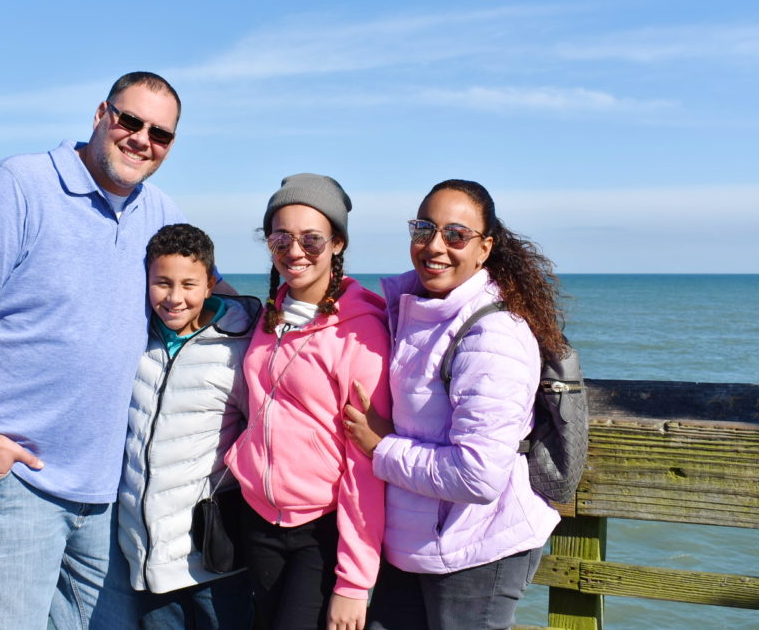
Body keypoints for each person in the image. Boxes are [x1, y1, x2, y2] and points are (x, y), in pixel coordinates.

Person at [0, 72, 227, 629]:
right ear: (100, 115)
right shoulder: (18, 183)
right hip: (14, 481)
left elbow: (208, 292)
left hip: (107, 493)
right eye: (129, 120)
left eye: (159, 133)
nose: (141, 139)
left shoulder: (159, 210)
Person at [344, 179, 564, 630]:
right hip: (412, 540)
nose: (435, 245)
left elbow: (478, 475)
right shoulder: (408, 308)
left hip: (477, 547)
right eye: (424, 229)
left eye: (456, 235)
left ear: (484, 249)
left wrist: (380, 447)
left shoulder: (493, 335)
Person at [225, 173, 391, 630]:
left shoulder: (360, 330)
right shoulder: (269, 315)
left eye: (312, 240)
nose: (295, 252)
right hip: (257, 515)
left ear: (338, 243)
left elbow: (366, 462)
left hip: (321, 531)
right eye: (281, 239)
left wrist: (355, 584)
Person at [117, 223, 260, 629]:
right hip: (145, 558)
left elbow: (264, 434)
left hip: (214, 557)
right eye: (162, 283)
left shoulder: (239, 348)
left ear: (212, 283)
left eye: (189, 284)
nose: (175, 297)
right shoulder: (133, 339)